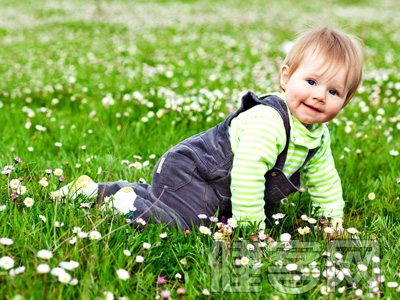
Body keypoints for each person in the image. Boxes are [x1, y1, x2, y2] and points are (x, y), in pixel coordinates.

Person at [53, 26, 363, 231]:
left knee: (198, 214)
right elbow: (247, 173)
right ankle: (121, 203)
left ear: (345, 102)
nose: (319, 95)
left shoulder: (317, 137)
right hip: (194, 171)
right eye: (311, 81)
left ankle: (93, 190)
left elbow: (325, 180)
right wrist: (251, 228)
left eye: (334, 92)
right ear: (286, 78)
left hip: (219, 188)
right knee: (184, 223)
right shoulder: (270, 123)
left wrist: (332, 221)